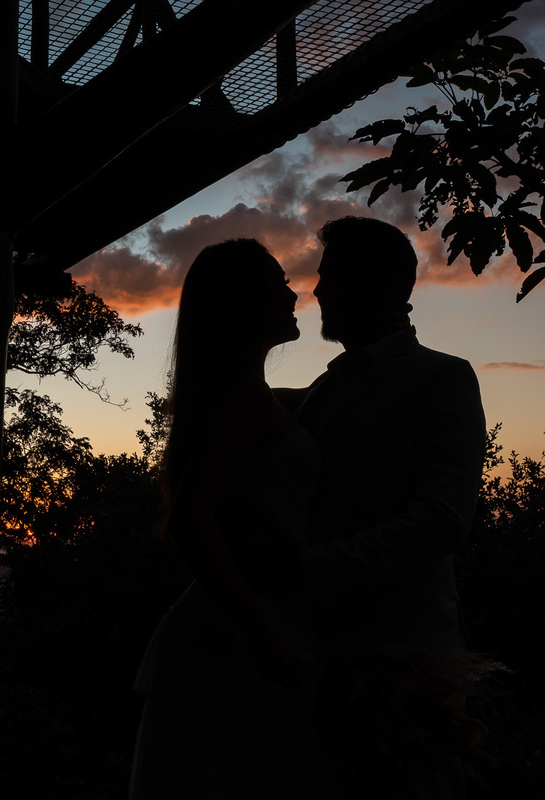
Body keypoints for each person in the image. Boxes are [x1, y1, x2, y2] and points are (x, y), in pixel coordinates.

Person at [128, 238, 339, 799]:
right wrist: (264, 632)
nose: (293, 293)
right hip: (234, 638)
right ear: (245, 301)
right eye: (278, 281)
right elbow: (190, 519)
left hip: (241, 626)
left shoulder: (252, 398)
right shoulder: (244, 403)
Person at [290, 216, 488, 799]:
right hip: (317, 654)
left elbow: (444, 518)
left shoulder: (442, 378)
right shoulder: (324, 388)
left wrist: (310, 566)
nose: (319, 290)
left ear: (389, 285)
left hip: (401, 669)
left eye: (335, 275)